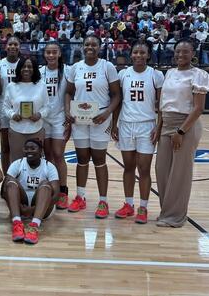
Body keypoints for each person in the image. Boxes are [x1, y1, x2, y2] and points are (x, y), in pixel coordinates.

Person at [155, 38, 209, 228]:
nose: (180, 55)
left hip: (185, 125)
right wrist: (159, 126)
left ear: (193, 54)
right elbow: (163, 104)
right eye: (178, 51)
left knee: (180, 173)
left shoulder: (199, 75)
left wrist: (181, 131)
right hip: (166, 124)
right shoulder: (169, 72)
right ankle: (166, 211)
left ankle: (175, 216)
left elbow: (198, 108)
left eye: (185, 52)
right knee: (162, 170)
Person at [65, 35, 121, 218]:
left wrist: (107, 114)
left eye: (94, 44)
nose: (90, 47)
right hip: (80, 118)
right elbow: (68, 92)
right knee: (82, 158)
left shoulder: (107, 67)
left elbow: (116, 95)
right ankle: (80, 197)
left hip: (100, 118)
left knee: (99, 159)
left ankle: (103, 200)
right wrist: (68, 111)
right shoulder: (76, 68)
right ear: (82, 46)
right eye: (87, 44)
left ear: (100, 46)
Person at [111, 41, 164, 224]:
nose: (139, 55)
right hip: (126, 125)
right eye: (136, 52)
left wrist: (158, 127)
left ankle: (143, 207)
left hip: (146, 125)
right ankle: (129, 204)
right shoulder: (123, 74)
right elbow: (118, 101)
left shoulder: (156, 75)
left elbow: (162, 105)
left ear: (148, 55)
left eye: (143, 53)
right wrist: (114, 124)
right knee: (128, 167)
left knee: (144, 169)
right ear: (131, 54)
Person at [2, 139, 59, 244]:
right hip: (21, 204)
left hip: (43, 206)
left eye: (33, 148)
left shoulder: (49, 166)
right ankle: (17, 223)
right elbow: (3, 191)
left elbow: (55, 196)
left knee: (45, 184)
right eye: (27, 148)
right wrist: (19, 207)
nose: (29, 151)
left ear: (41, 150)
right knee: (10, 182)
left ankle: (34, 226)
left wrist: (32, 210)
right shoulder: (17, 163)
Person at [40, 42, 71, 210]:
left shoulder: (68, 70)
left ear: (59, 54)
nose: (51, 55)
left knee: (59, 154)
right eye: (48, 52)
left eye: (54, 52)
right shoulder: (40, 72)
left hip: (60, 117)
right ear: (45, 54)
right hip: (44, 118)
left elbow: (72, 93)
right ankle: (52, 189)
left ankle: (63, 191)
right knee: (48, 155)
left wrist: (70, 114)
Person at [3, 56, 49, 163]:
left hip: (36, 129)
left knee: (36, 162)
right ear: (19, 68)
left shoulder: (41, 86)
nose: (26, 69)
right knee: (16, 162)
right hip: (16, 130)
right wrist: (12, 115)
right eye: (24, 66)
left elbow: (47, 106)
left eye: (30, 66)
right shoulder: (11, 86)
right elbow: (5, 107)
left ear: (34, 69)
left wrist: (39, 115)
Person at [0, 37, 20, 174]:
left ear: (19, 47)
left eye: (15, 44)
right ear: (6, 47)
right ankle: (6, 179)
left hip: (20, 109)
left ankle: (17, 177)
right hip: (3, 109)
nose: (12, 47)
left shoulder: (24, 64)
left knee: (18, 147)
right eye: (10, 44)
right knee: (5, 147)